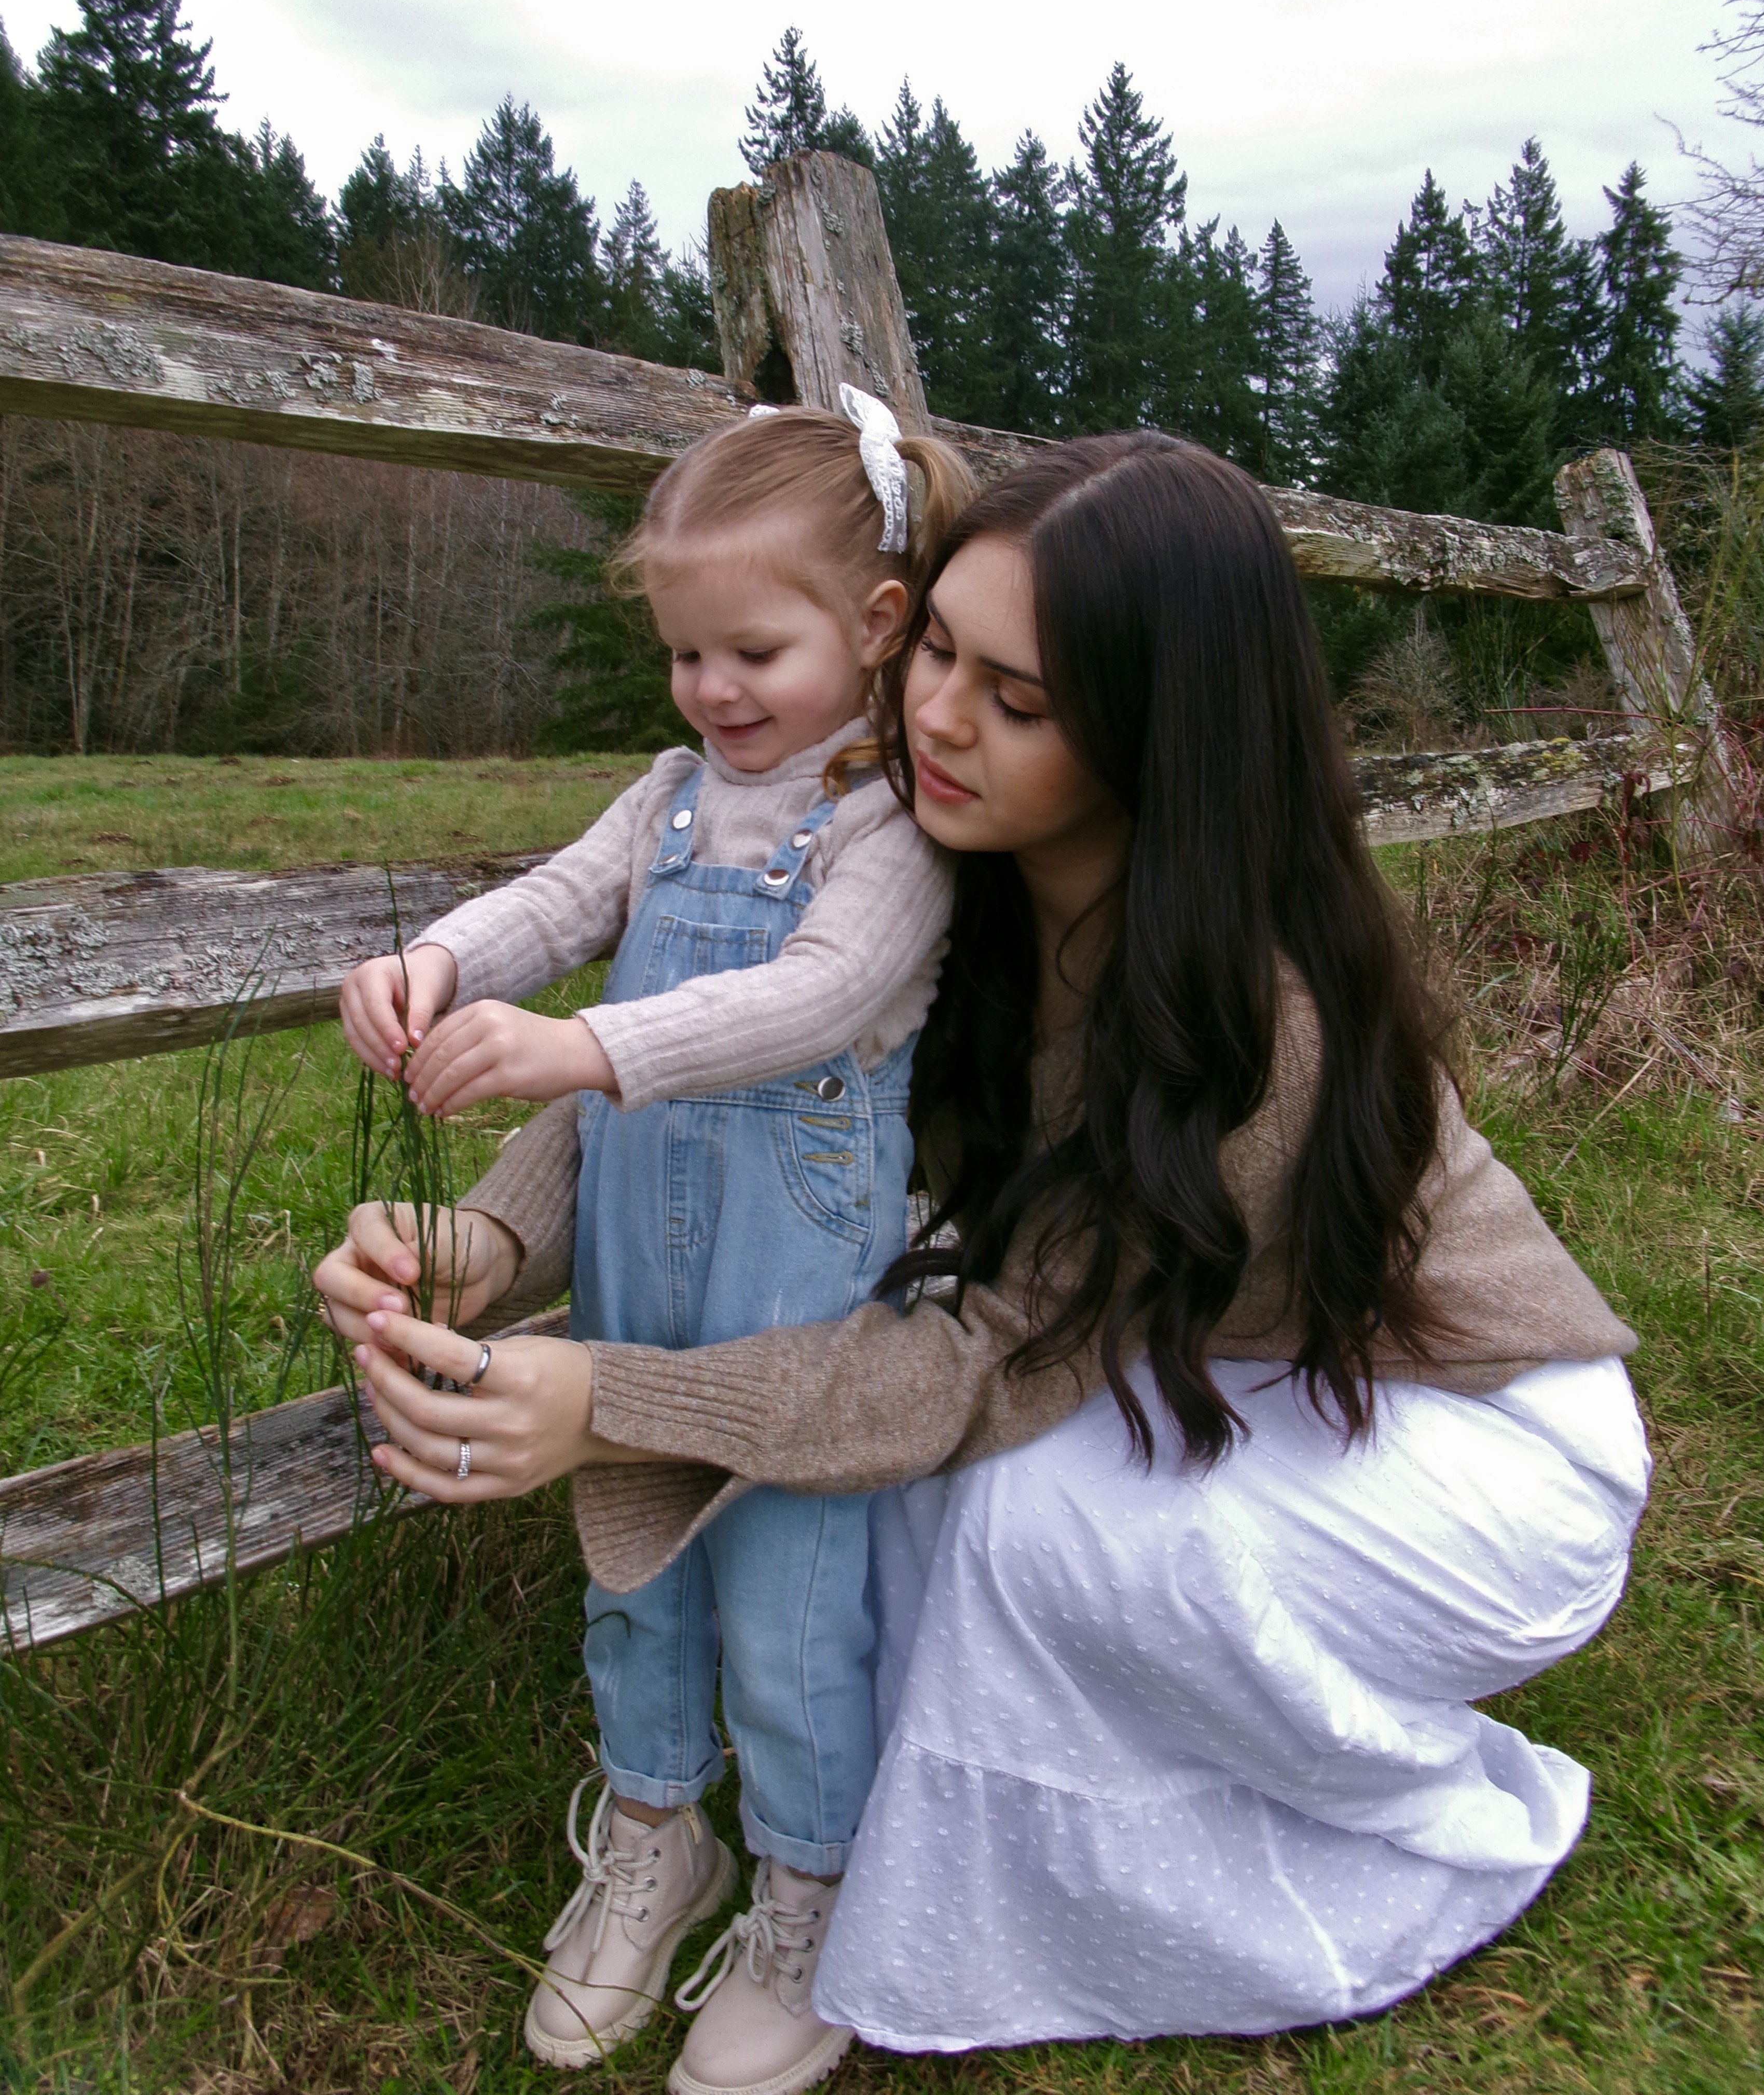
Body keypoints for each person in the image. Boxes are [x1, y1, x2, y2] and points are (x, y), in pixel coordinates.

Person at [318, 432, 1648, 2074]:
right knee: (902, 1496)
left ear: (1164, 733)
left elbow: (986, 1359)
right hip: (1225, 1360)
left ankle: (1354, 1832)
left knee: (1031, 1524)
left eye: (1017, 700)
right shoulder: (928, 853)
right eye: (936, 647)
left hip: (1477, 1447)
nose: (936, 717)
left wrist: (616, 1399)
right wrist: (496, 1239)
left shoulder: (1249, 1017)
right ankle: (773, 1834)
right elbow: (726, 1085)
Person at [332, 393, 972, 2085]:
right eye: (686, 655)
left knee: (787, 1608)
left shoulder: (889, 831)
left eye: (753, 650)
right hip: (639, 1272)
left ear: (879, 626)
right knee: (632, 1574)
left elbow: (820, 998)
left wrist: (582, 1048)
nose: (714, 691)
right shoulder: (673, 797)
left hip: (798, 1306)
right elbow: (557, 897)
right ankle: (654, 1839)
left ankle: (811, 1900)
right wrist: (446, 968)